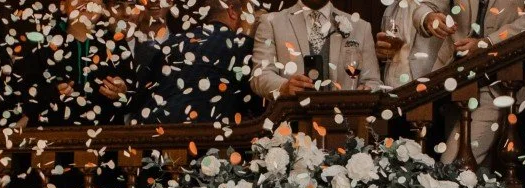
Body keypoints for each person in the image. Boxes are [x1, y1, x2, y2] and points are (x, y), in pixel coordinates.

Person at [413, 0, 525, 164]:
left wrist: (489, 42)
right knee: (475, 176)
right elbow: (425, 7)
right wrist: (428, 17)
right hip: (452, 83)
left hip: (496, 86)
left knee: (452, 166)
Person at [130, 0, 261, 126]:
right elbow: (256, 104)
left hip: (149, 130)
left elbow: (142, 96)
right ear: (232, 11)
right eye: (249, 16)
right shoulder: (243, 46)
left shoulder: (173, 42)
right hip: (202, 135)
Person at [250, 0, 382, 101]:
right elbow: (259, 76)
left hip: (346, 126)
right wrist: (284, 87)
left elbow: (373, 81)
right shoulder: (272, 22)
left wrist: (368, 89)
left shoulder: (360, 27)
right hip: (290, 126)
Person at [376, 0, 452, 88]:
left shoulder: (436, 4)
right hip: (391, 88)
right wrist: (381, 52)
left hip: (425, 88)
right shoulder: (390, 9)